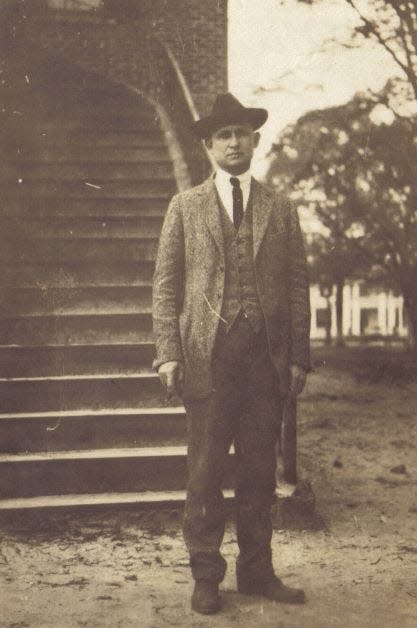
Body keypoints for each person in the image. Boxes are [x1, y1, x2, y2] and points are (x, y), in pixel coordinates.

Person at [152, 93, 311, 615]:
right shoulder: (185, 206)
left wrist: (298, 358)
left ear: (255, 141)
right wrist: (168, 353)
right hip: (207, 360)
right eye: (224, 135)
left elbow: (296, 288)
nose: (234, 142)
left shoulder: (280, 209)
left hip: (264, 362)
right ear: (208, 146)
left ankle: (257, 572)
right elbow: (166, 285)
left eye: (242, 133)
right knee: (204, 472)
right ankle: (205, 576)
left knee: (260, 473)